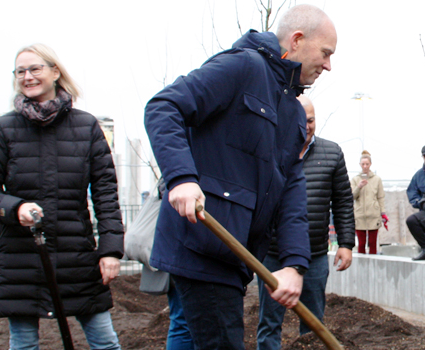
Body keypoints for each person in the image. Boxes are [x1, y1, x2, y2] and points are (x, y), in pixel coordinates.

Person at [144, 5, 337, 349]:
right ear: (296, 40)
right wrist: (182, 178)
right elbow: (164, 107)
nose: (328, 65)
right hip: (203, 244)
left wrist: (293, 263)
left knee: (190, 337)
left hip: (233, 257)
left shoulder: (292, 111)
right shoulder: (241, 66)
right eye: (325, 53)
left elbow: (292, 192)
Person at [0, 43, 124, 350]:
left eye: (35, 69)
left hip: (77, 257)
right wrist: (16, 209)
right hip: (19, 258)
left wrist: (110, 251)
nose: (27, 76)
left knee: (105, 342)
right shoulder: (4, 128)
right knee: (25, 344)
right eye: (20, 71)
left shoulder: (86, 126)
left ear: (55, 72)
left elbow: (106, 194)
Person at [256, 95, 355, 350]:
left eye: (310, 120)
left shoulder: (331, 153)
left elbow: (343, 201)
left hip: (315, 254)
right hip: (273, 253)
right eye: (301, 119)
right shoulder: (270, 151)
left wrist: (346, 243)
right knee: (269, 323)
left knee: (313, 324)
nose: (307, 125)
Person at [351, 150, 386, 254]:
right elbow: (351, 196)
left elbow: (380, 196)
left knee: (373, 243)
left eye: (367, 164)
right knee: (361, 243)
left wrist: (382, 213)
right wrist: (359, 186)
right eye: (363, 164)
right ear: (360, 165)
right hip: (359, 215)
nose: (365, 166)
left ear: (370, 164)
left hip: (373, 214)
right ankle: (361, 267)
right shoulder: (355, 179)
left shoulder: (377, 179)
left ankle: (373, 266)